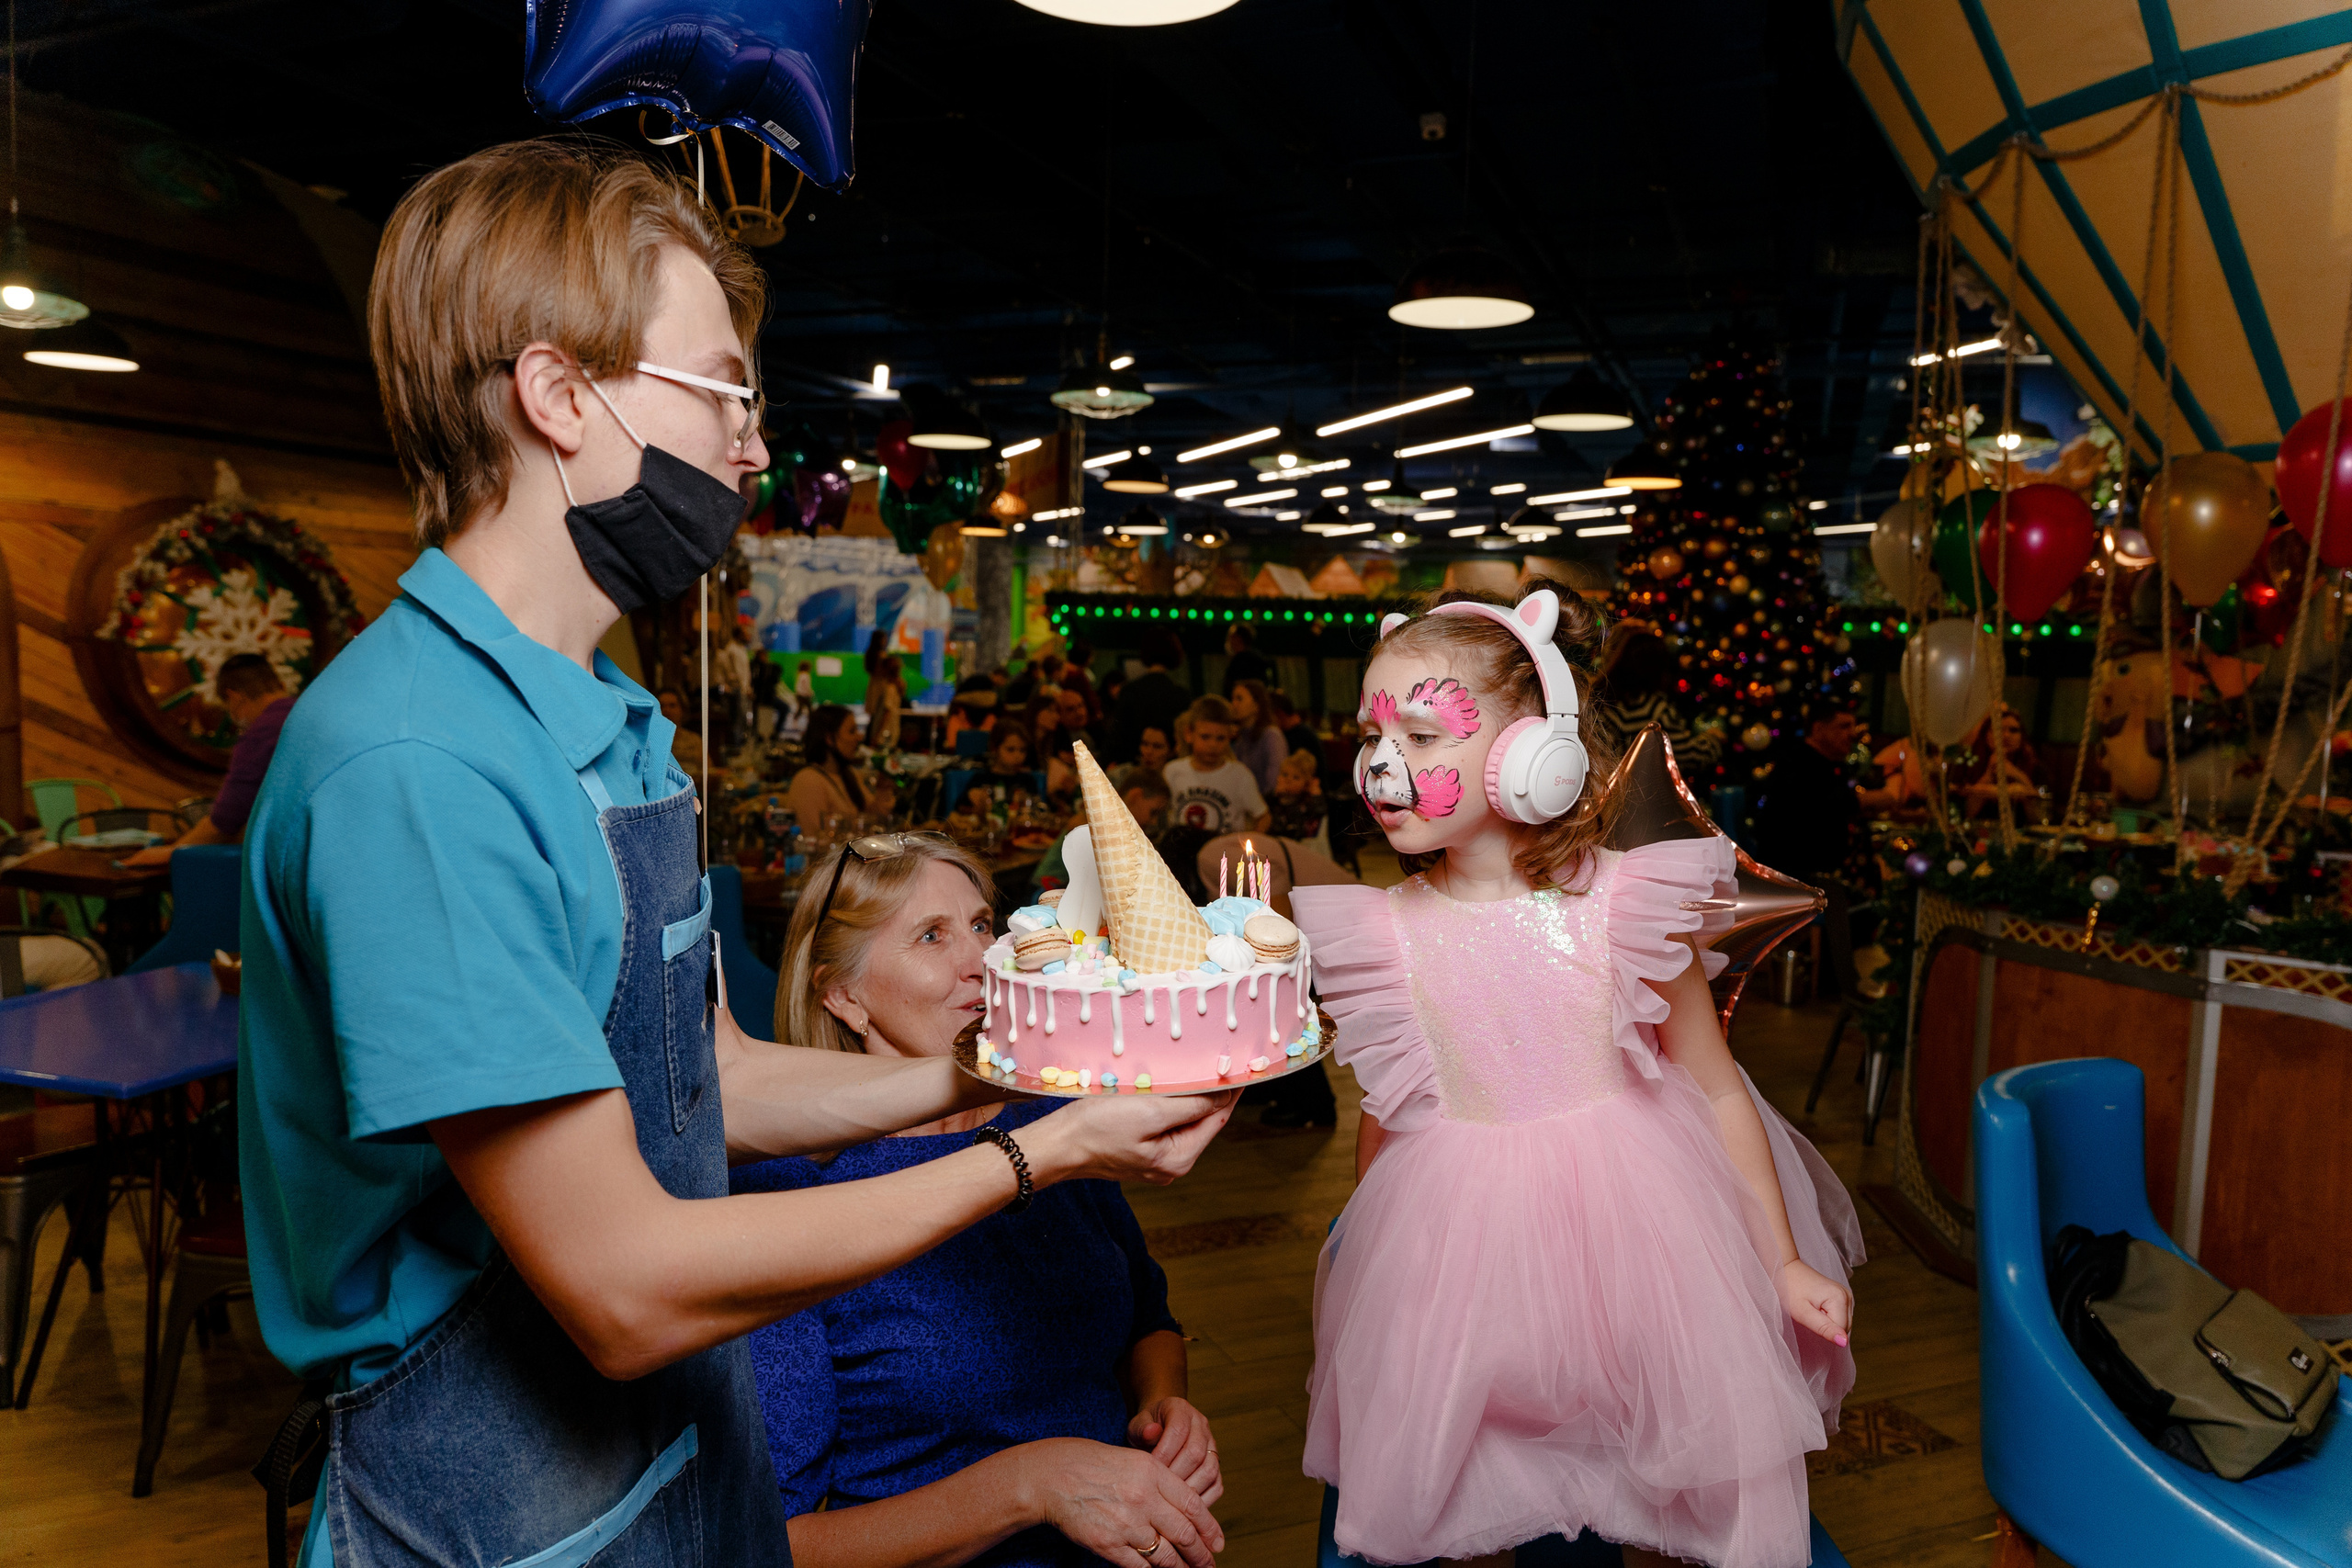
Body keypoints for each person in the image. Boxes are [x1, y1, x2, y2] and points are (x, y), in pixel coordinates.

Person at [235, 140, 1237, 1568]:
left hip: (680, 1465)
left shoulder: (609, 717)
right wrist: (1043, 1150)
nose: (755, 448)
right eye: (723, 391)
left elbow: (708, 1080)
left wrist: (1019, 1073)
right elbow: (623, 1285)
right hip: (492, 1505)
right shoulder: (419, 764)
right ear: (557, 395)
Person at [1291, 583, 1858, 1568]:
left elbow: (1718, 1087)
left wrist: (1780, 1263)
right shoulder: (1383, 936)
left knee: (1644, 1483)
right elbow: (1394, 1115)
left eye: (1421, 735)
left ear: (1530, 752)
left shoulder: (1628, 906)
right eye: (1373, 735)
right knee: (1483, 1496)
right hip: (1462, 1264)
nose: (1382, 766)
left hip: (1637, 1255)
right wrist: (1366, 1263)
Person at [738, 837, 1221, 1568]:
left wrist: (1162, 1406)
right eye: (932, 936)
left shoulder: (1052, 1117)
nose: (984, 958)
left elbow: (1148, 1320)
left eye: (983, 924)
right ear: (844, 996)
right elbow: (781, 1544)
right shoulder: (795, 1194)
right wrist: (1032, 1484)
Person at [125, 653, 295, 866]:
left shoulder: (262, 732)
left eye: (228, 708)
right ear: (280, 685)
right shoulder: (304, 714)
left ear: (234, 697)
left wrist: (167, 854)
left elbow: (225, 822)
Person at [1752, 705, 1867, 886]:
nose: (1853, 734)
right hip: (1798, 878)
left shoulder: (1830, 765)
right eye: (1844, 726)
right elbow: (1832, 806)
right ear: (1818, 729)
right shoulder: (1798, 764)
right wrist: (1880, 799)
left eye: (1853, 726)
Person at [1592, 629, 1724, 772]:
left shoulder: (1603, 704)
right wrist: (1713, 739)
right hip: (1645, 785)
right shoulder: (1656, 710)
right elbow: (1689, 753)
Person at [1160, 696, 1269, 836]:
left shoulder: (1240, 775)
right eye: (1205, 737)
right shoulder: (1172, 771)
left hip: (1225, 849)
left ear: (1230, 736)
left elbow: (1263, 817)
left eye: (1221, 738)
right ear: (1189, 734)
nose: (1213, 745)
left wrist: (1252, 841)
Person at [791, 702, 896, 829]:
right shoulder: (808, 780)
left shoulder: (849, 774)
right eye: (852, 731)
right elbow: (815, 834)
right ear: (829, 739)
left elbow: (875, 819)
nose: (859, 737)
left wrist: (883, 788)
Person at [1110, 628, 1191, 763]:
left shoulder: (1130, 691)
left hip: (1134, 764)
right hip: (1168, 764)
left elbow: (1117, 735)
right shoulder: (1181, 694)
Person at [1225, 678, 1288, 795]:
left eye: (1239, 699)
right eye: (1232, 699)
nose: (1234, 704)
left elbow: (1274, 782)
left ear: (1256, 705)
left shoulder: (1271, 736)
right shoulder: (1240, 740)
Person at [961, 722, 1042, 814]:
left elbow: (1039, 810)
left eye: (1022, 750)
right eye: (1011, 749)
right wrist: (977, 803)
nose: (1017, 756)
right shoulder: (981, 779)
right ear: (994, 749)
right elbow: (960, 808)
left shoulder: (1028, 781)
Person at [1266, 747, 1325, 844]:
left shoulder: (1305, 804)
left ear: (1306, 784)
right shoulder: (1271, 799)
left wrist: (1316, 795)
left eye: (1296, 778)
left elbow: (1318, 814)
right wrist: (1274, 795)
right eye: (1285, 775)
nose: (1288, 780)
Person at [865, 636, 907, 752]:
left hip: (885, 734)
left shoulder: (889, 688)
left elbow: (886, 712)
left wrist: (876, 734)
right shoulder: (895, 686)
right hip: (892, 731)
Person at [658, 687, 706, 780]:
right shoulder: (649, 740)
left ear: (682, 710)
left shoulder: (694, 739)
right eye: (662, 706)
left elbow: (709, 771)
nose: (667, 710)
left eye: (672, 706)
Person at [1114, 725, 1172, 794]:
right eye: (1145, 744)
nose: (1149, 752)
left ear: (1171, 752)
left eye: (1157, 746)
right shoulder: (1120, 776)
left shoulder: (1174, 781)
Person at [1059, 638, 1102, 722]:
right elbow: (1089, 700)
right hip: (1078, 720)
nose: (1092, 660)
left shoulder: (1062, 671)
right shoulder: (1077, 676)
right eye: (1091, 656)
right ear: (1085, 657)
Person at [1220, 624, 1271, 692]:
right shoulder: (1258, 659)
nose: (1230, 642)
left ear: (1238, 639)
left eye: (1232, 637)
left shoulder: (1239, 662)